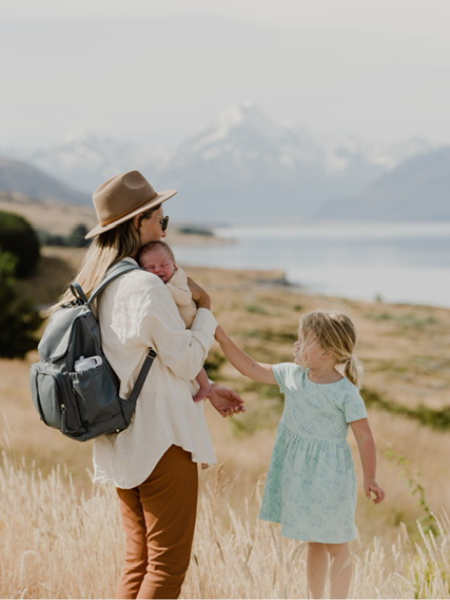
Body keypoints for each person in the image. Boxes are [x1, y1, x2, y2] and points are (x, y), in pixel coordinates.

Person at [51, 170, 244, 599]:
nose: (164, 228)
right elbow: (187, 357)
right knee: (167, 567)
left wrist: (208, 391)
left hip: (121, 437)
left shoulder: (99, 286)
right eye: (161, 219)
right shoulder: (144, 286)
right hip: (161, 438)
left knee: (140, 562)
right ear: (138, 223)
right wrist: (206, 309)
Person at [215, 310, 385, 600]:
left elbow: (365, 436)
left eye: (305, 340)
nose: (296, 345)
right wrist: (219, 335)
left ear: (327, 352)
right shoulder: (293, 376)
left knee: (337, 542)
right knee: (314, 542)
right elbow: (251, 367)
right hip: (300, 474)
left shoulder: (345, 393)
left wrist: (371, 478)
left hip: (331, 478)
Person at [138, 240, 212, 402]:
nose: (157, 269)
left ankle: (206, 386)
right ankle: (205, 386)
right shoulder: (161, 280)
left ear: (175, 265)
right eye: (150, 268)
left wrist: (165, 287)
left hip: (192, 325)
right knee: (191, 361)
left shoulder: (177, 277)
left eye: (164, 264)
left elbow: (185, 299)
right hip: (182, 327)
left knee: (192, 359)